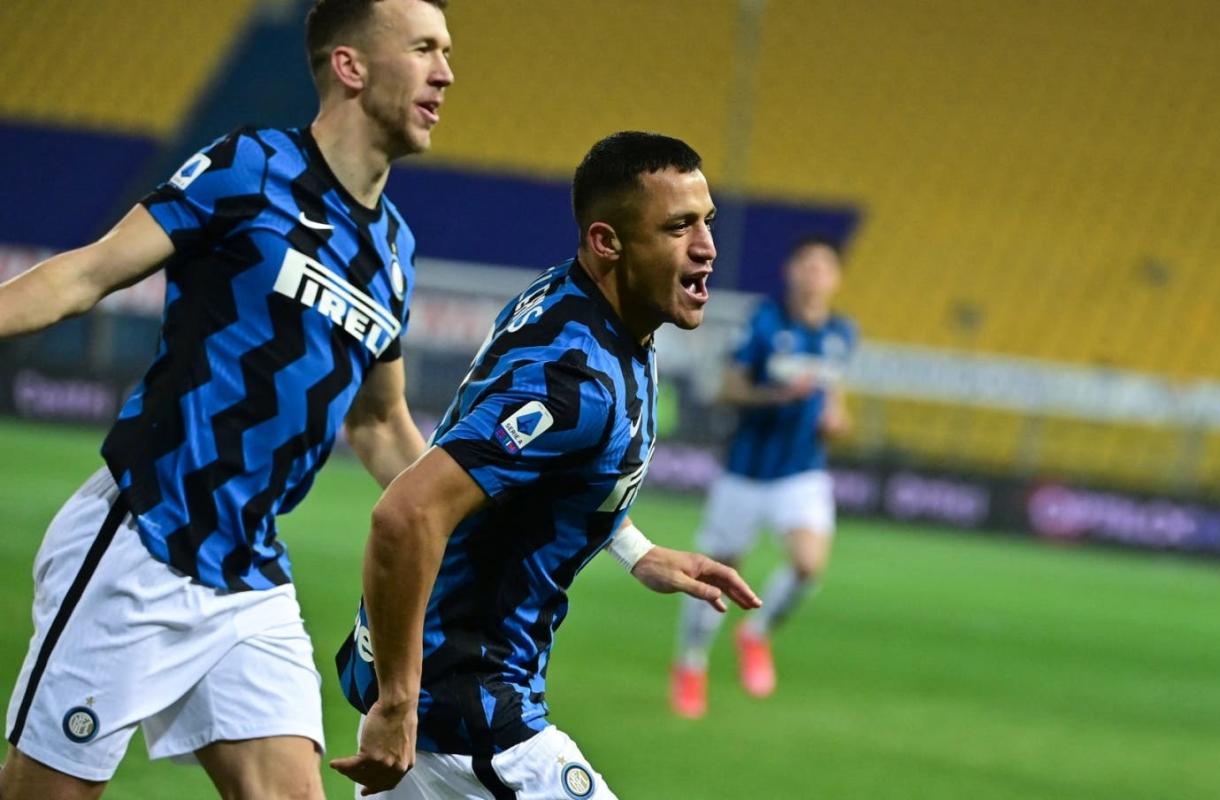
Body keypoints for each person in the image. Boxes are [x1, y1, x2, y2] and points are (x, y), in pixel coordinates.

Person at [0, 1, 454, 796]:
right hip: (146, 537)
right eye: (423, 49)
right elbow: (88, 274)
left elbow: (380, 422)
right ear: (350, 66)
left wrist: (469, 522)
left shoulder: (395, 249)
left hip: (249, 578)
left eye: (447, 53)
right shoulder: (251, 167)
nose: (445, 74)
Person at [329, 131, 762, 799]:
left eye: (706, 220)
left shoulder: (586, 306)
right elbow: (405, 514)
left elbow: (536, 476)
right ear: (607, 242)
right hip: (473, 719)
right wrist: (397, 702)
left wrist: (636, 551)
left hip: (445, 711)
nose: (706, 246)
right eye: (678, 227)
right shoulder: (573, 381)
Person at [670, 234, 856, 719]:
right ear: (791, 271)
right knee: (717, 574)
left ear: (836, 278)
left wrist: (836, 421)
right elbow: (727, 389)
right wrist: (778, 396)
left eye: (824, 267)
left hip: (802, 471)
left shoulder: (842, 334)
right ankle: (691, 662)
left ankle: (754, 633)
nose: (815, 274)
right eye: (807, 264)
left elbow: (836, 400)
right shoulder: (764, 322)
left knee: (808, 565)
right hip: (746, 471)